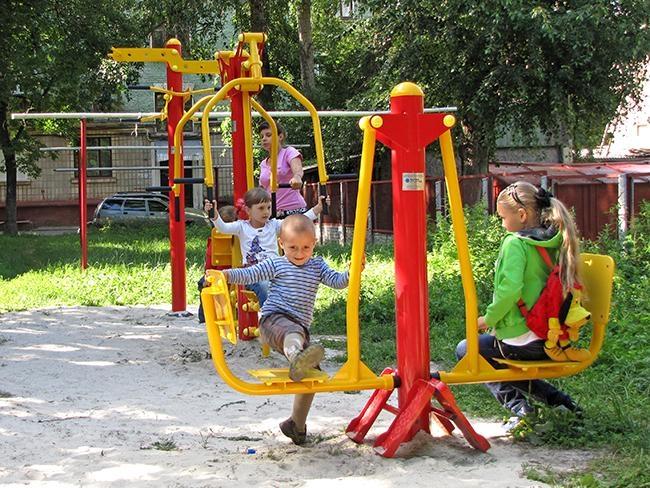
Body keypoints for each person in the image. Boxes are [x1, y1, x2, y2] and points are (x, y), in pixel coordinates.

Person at [222, 213, 361, 445]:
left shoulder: (317, 266)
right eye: (293, 247)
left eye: (306, 247)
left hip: (299, 327)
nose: (299, 253)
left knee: (312, 375)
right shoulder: (277, 264)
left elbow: (337, 282)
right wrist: (225, 274)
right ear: (281, 244)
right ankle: (296, 356)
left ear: (314, 243)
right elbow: (249, 273)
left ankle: (296, 424)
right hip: (273, 321)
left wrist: (353, 271)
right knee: (292, 334)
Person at [455, 181, 582, 430]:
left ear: (522, 215)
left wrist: (488, 320)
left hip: (523, 339)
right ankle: (561, 403)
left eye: (503, 218)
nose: (502, 224)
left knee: (467, 349)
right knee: (497, 355)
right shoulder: (556, 239)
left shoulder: (515, 243)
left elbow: (509, 291)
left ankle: (521, 408)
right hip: (552, 337)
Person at [206, 187, 325, 307]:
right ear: (248, 210)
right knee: (265, 286)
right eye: (261, 208)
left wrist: (317, 208)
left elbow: (298, 221)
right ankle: (272, 314)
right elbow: (223, 227)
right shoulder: (242, 227)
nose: (266, 212)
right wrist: (214, 214)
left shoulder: (274, 225)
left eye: (268, 207)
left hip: (275, 271)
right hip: (254, 274)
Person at [257, 120, 308, 218]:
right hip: (272, 212)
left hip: (292, 210)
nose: (264, 139)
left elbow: (297, 169)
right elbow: (262, 189)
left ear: (280, 137)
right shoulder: (263, 163)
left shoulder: (288, 152)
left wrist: (297, 177)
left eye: (268, 135)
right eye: (262, 136)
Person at [198, 205, 237, 324]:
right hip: (238, 275)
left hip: (218, 276)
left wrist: (207, 275)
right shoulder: (240, 238)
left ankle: (204, 317)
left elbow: (209, 265)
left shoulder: (214, 240)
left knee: (202, 284)